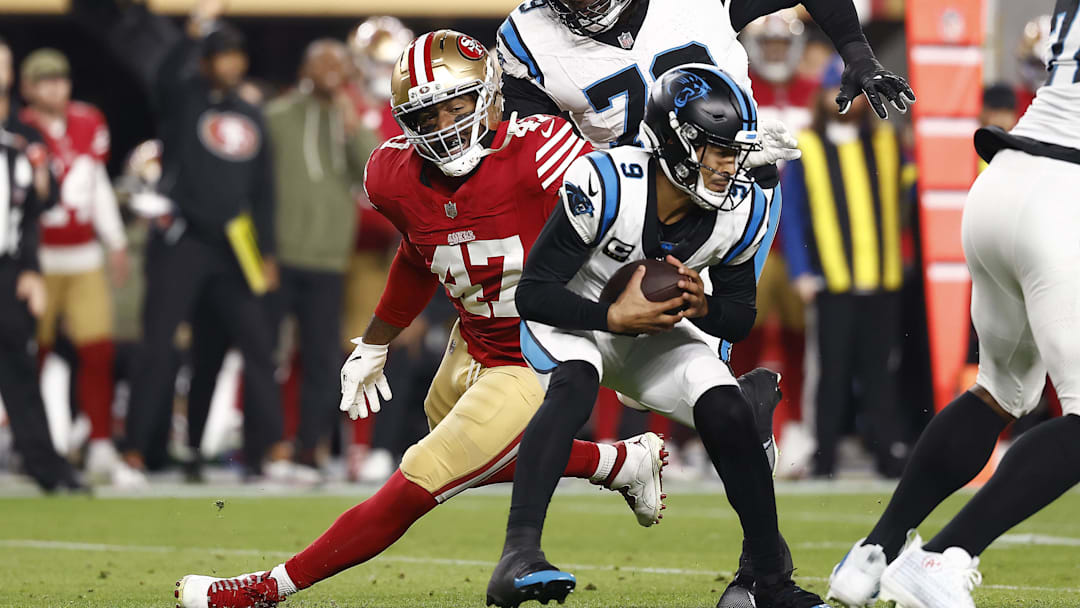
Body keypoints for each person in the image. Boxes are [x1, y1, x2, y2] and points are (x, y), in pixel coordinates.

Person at [172, 30, 667, 608]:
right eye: (427, 115)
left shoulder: (539, 151)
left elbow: (629, 213)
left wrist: (629, 325)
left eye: (457, 107)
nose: (444, 126)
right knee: (475, 453)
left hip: (539, 355)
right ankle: (619, 462)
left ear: (490, 96)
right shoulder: (392, 174)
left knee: (422, 475)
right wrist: (375, 342)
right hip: (473, 342)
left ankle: (266, 588)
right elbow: (417, 252)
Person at [486, 65, 825, 608]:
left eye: (735, 152)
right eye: (718, 151)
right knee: (575, 383)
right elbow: (533, 294)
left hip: (649, 330)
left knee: (728, 407)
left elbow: (739, 318)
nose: (729, 166)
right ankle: (518, 554)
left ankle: (769, 583)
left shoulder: (740, 209)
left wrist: (703, 306)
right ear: (676, 142)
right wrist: (611, 318)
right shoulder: (608, 183)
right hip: (572, 316)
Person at [827, 2, 1080, 606]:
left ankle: (871, 555)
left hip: (1004, 175)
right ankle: (947, 554)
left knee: (1001, 392)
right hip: (1063, 193)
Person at [71, 0, 286, 477]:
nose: (230, 64)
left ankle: (267, 450)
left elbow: (264, 190)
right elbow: (166, 73)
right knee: (158, 344)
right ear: (205, 62)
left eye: (236, 55)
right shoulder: (183, 97)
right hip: (184, 239)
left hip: (234, 245)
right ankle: (137, 448)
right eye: (220, 55)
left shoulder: (251, 114)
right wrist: (192, 35)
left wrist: (267, 252)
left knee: (257, 344)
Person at [778, 56, 909, 479]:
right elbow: (792, 213)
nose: (847, 101)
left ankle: (886, 453)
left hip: (882, 276)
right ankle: (825, 457)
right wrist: (800, 271)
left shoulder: (886, 140)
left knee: (880, 372)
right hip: (831, 279)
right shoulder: (808, 146)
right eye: (837, 91)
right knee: (830, 373)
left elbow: (909, 197)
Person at [263, 39, 380, 478]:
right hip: (280, 254)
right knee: (268, 355)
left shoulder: (349, 118)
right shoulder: (277, 116)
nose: (332, 70)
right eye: (323, 63)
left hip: (330, 257)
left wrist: (352, 120)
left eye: (338, 63)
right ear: (305, 69)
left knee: (320, 359)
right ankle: (268, 444)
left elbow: (372, 173)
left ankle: (308, 449)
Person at [18, 48, 133, 485]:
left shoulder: (89, 121)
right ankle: (27, 442)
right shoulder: (19, 129)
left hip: (83, 254)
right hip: (38, 260)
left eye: (60, 79)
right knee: (30, 354)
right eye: (45, 81)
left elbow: (96, 182)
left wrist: (115, 239)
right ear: (28, 88)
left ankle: (100, 443)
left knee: (98, 350)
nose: (55, 88)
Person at [0, 42, 82, 493]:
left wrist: (31, 268)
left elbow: (37, 209)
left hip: (8, 267)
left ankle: (45, 465)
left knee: (19, 367)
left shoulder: (24, 138)